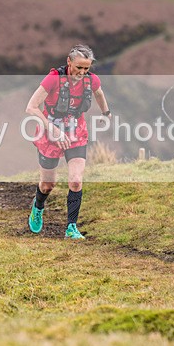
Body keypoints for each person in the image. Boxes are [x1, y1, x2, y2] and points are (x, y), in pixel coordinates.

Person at [25, 45, 111, 239]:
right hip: (50, 132)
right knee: (48, 185)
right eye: (79, 67)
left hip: (76, 132)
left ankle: (71, 228)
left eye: (86, 69)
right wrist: (52, 129)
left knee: (75, 180)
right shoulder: (54, 79)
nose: (82, 72)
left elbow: (99, 93)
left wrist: (106, 112)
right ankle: (38, 207)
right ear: (69, 61)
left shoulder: (91, 80)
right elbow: (31, 107)